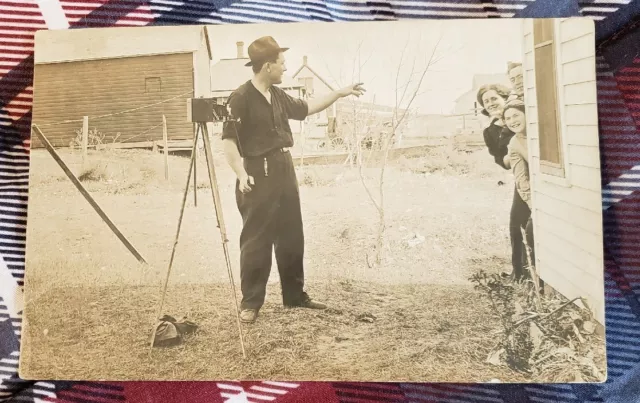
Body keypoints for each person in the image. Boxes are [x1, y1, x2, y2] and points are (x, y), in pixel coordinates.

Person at [221, 36, 366, 324]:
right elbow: (228, 142)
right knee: (256, 239)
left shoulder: (277, 95)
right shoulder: (239, 98)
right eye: (281, 64)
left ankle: (295, 296)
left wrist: (339, 93)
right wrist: (240, 173)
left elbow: (306, 108)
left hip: (283, 167)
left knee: (291, 234)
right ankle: (250, 303)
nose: (285, 69)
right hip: (256, 171)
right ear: (266, 66)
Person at [476, 84, 530, 282]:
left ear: (504, 97)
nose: (490, 104)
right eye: (486, 101)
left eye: (494, 99)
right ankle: (519, 273)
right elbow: (503, 161)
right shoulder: (490, 131)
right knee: (516, 223)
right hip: (521, 175)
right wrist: (513, 154)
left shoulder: (518, 115)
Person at [502, 99, 535, 272]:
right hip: (534, 191)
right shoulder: (515, 143)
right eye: (508, 118)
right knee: (526, 229)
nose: (513, 120)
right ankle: (523, 273)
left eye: (516, 115)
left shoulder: (541, 131)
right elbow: (521, 179)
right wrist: (532, 203)